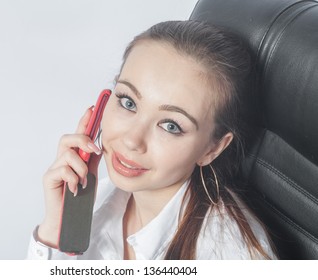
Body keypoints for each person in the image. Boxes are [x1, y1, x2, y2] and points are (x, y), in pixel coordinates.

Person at [27, 20, 277, 260]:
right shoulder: (102, 197)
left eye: (171, 126)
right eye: (128, 102)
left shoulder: (231, 256)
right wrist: (54, 231)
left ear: (213, 148)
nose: (132, 140)